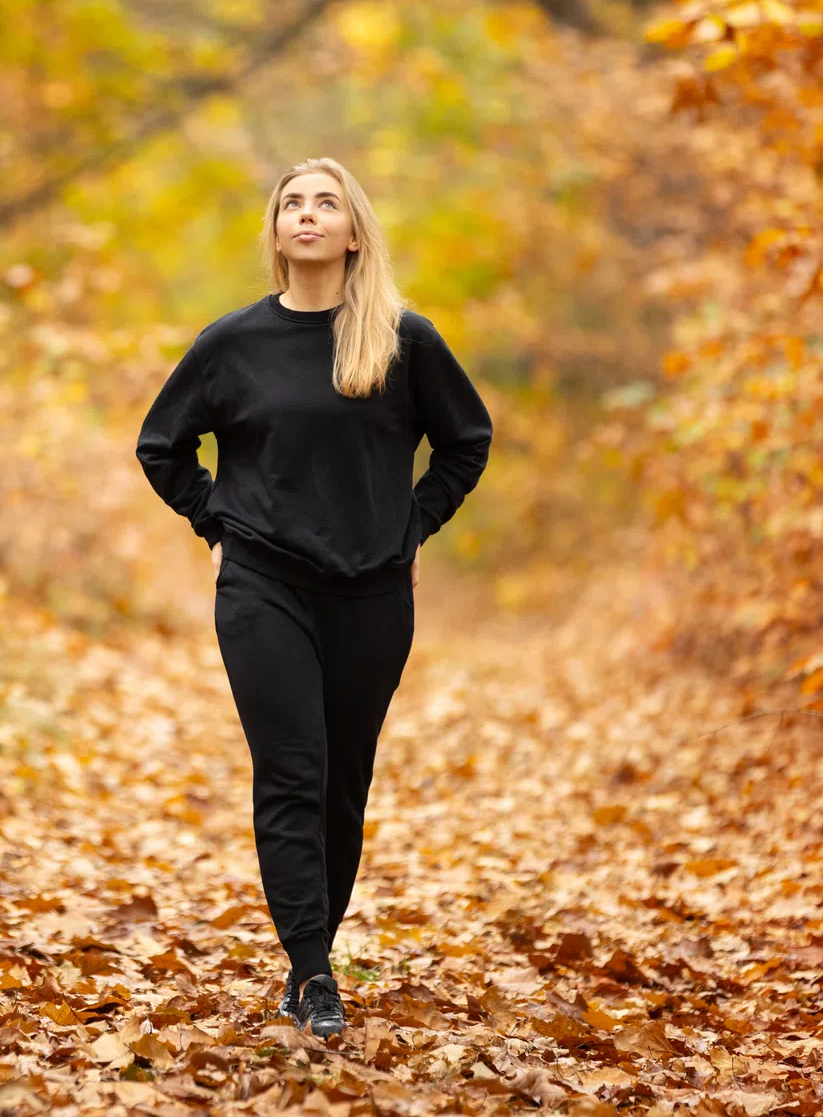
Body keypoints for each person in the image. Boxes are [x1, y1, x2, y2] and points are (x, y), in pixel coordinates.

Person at [135, 158, 491, 1038]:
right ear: (278, 232)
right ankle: (314, 971)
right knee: (291, 773)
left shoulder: (406, 342)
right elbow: (162, 446)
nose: (306, 214)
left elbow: (466, 442)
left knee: (342, 783)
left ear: (353, 231)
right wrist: (219, 521)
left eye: (325, 203)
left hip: (372, 594)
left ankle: (312, 955)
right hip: (263, 587)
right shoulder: (232, 344)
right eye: (292, 203)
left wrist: (413, 528)